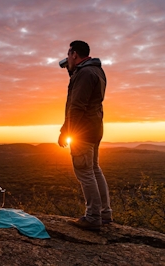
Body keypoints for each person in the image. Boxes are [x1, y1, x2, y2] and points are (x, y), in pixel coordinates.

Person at [58, 40, 113, 230]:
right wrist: (72, 73)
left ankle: (92, 217)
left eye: (69, 54)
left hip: (82, 130)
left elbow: (76, 106)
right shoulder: (97, 71)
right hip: (95, 128)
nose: (67, 58)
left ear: (74, 54)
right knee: (94, 169)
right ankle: (105, 214)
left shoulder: (84, 73)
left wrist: (67, 132)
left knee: (84, 172)